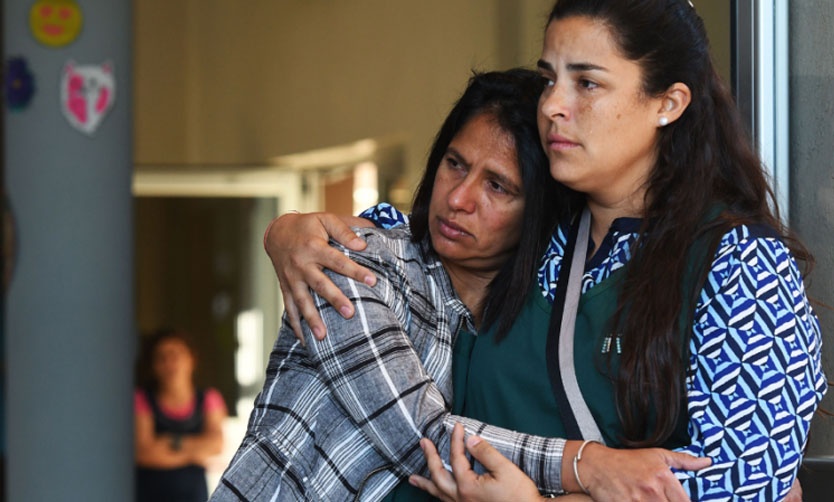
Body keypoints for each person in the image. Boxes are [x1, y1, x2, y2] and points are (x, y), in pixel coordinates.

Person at [265, 0, 827, 500]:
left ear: (669, 102)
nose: (553, 104)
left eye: (587, 83)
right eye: (548, 78)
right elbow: (396, 241)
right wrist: (292, 231)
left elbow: (743, 487)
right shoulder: (533, 233)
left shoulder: (739, 267)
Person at [211, 68, 707, 502]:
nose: (460, 199)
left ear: (539, 213)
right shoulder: (357, 264)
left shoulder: (534, 317)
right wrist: (593, 466)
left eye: (498, 186)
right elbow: (424, 438)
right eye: (455, 164)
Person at [135, 328, 228, 502]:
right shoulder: (142, 399)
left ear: (191, 359)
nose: (169, 363)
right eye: (161, 357)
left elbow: (216, 445)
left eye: (176, 355)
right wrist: (194, 453)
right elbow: (144, 453)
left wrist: (166, 445)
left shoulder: (209, 398)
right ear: (153, 365)